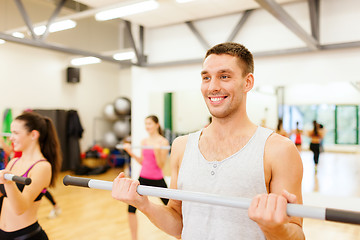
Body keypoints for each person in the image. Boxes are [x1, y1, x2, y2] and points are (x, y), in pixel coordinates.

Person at [111, 42, 304, 239]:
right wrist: (143, 204)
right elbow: (179, 223)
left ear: (247, 82)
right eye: (206, 78)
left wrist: (274, 227)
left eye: (224, 76)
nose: (213, 87)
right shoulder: (182, 146)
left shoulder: (278, 150)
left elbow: (296, 233)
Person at [0, 112, 62, 239]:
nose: (11, 138)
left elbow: (20, 208)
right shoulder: (13, 162)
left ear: (33, 135)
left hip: (25, 236)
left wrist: (9, 183)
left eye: (16, 133)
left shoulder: (42, 167)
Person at [121, 115, 170, 240]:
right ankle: (134, 238)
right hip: (143, 178)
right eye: (146, 124)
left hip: (157, 179)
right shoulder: (144, 141)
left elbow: (161, 165)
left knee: (172, 206)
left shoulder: (163, 142)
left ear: (157, 125)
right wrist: (130, 151)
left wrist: (158, 151)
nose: (147, 126)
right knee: (131, 209)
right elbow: (143, 161)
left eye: (150, 124)